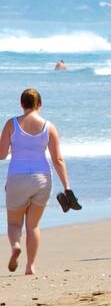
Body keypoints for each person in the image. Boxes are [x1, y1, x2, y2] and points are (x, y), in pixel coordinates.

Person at [2, 89, 73, 275]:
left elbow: (1, 154)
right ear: (39, 104)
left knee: (14, 224)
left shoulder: (11, 124)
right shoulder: (49, 127)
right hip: (42, 179)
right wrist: (67, 187)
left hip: (17, 178)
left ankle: (16, 246)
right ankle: (30, 266)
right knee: (33, 225)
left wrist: (12, 149)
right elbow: (58, 159)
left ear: (21, 104)